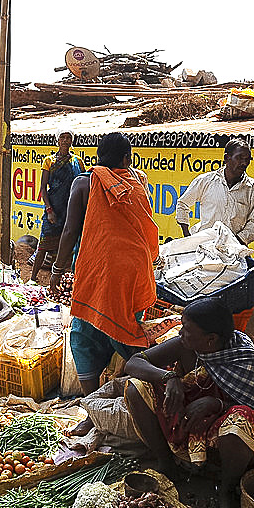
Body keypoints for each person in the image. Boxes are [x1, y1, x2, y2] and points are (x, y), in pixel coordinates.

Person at [123, 298, 254, 508]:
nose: (181, 333)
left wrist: (216, 404)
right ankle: (167, 465)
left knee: (241, 421)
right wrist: (169, 377)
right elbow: (134, 363)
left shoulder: (244, 359)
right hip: (185, 422)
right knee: (136, 387)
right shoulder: (185, 345)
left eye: (187, 330)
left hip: (222, 437)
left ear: (211, 340)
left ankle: (227, 489)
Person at [49, 132, 159, 396]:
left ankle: (94, 405)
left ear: (97, 158)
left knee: (84, 334)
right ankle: (146, 393)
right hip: (134, 270)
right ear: (126, 158)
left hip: (98, 268)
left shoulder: (84, 182)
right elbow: (144, 226)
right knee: (126, 331)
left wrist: (57, 269)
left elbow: (69, 231)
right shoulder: (137, 182)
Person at [175, 138, 254, 246]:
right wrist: (187, 236)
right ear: (227, 158)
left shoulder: (253, 188)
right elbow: (182, 204)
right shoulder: (206, 180)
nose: (244, 163)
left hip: (233, 251)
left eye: (248, 159)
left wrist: (233, 243)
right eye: (240, 158)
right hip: (203, 247)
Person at [31, 130, 87, 282]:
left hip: (72, 209)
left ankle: (67, 280)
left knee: (70, 244)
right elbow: (43, 188)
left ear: (72, 141)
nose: (65, 140)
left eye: (68, 138)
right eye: (62, 137)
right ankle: (33, 278)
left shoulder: (78, 162)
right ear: (57, 140)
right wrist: (49, 210)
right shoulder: (49, 161)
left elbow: (83, 183)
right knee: (43, 244)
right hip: (54, 207)